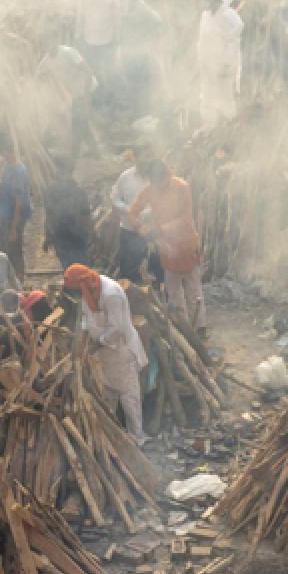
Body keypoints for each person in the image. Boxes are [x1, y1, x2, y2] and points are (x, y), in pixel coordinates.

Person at [63, 264, 149, 443]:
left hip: (120, 351)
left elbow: (116, 329)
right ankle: (113, 436)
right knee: (108, 394)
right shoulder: (89, 288)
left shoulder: (112, 295)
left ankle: (136, 437)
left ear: (84, 283)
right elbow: (87, 318)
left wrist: (95, 346)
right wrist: (83, 341)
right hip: (104, 355)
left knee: (128, 396)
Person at [127, 160, 205, 332]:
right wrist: (139, 226)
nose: (157, 186)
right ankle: (183, 327)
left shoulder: (181, 187)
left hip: (186, 244)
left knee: (193, 290)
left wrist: (161, 228)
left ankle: (199, 327)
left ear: (167, 175)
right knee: (173, 290)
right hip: (166, 247)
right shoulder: (150, 189)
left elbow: (186, 218)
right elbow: (132, 211)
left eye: (160, 182)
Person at [196, 0, 243, 131]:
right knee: (208, 93)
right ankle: (210, 124)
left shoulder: (229, 16)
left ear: (216, 0)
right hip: (209, 61)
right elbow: (202, 39)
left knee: (225, 93)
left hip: (224, 63)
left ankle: (228, 124)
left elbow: (232, 43)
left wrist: (226, 64)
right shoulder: (205, 14)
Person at [111, 143, 159, 283]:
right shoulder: (125, 177)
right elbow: (114, 197)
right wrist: (127, 210)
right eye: (145, 158)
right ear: (136, 158)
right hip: (129, 230)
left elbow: (164, 200)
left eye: (150, 157)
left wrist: (149, 212)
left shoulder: (157, 178)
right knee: (129, 271)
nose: (148, 161)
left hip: (152, 231)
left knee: (156, 271)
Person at [0, 132, 32, 279]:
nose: (2, 155)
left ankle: (20, 279)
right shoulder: (8, 166)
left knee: (14, 248)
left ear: (9, 152)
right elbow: (7, 185)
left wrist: (14, 228)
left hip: (15, 216)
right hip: (5, 214)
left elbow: (19, 202)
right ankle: (7, 277)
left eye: (3, 152)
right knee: (1, 247)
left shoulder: (19, 172)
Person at [43, 155, 94, 270]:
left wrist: (48, 236)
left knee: (68, 267)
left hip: (61, 234)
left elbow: (49, 215)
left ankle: (72, 285)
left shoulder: (51, 190)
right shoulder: (78, 189)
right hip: (79, 234)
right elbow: (86, 214)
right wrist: (92, 234)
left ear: (58, 169)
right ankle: (82, 286)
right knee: (83, 266)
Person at [75, 0, 119, 85]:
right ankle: (92, 95)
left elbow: (116, 18)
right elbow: (79, 15)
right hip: (88, 39)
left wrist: (116, 39)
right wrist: (77, 36)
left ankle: (106, 96)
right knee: (90, 70)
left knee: (106, 72)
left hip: (106, 40)